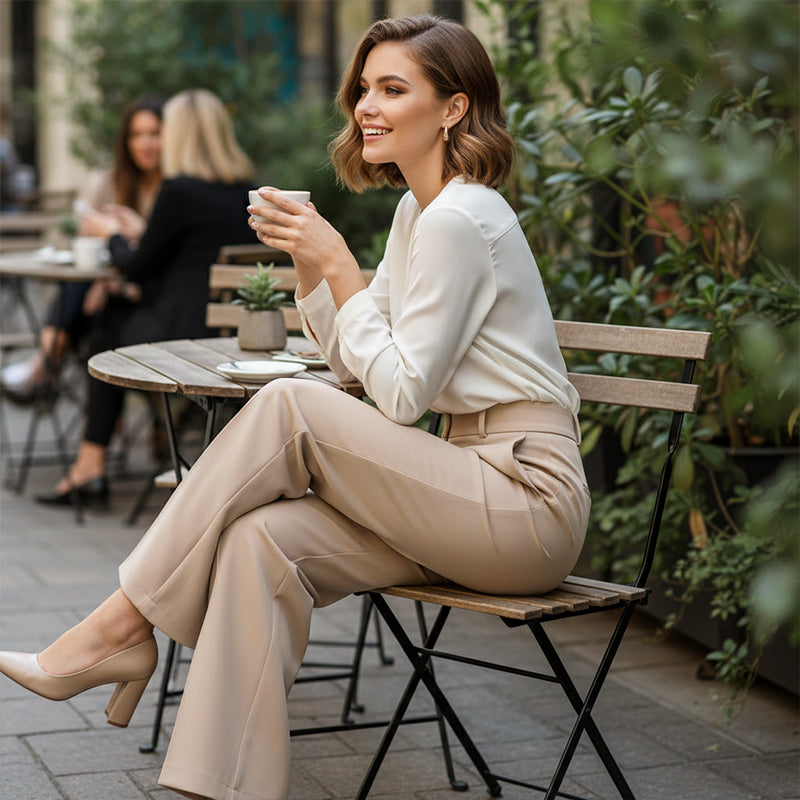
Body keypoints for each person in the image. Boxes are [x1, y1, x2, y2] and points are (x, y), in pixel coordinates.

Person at [0, 16, 590, 800]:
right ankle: (224, 785)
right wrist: (313, 268)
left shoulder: (461, 218)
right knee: (261, 541)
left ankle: (118, 625)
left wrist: (340, 262)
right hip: (453, 489)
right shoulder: (419, 213)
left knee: (290, 405)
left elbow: (402, 396)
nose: (366, 107)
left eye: (393, 89)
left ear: (453, 108)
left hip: (523, 505)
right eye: (364, 89)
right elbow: (353, 363)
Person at [34, 88, 257, 507]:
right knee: (111, 315)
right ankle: (104, 449)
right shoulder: (249, 192)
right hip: (236, 337)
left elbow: (136, 268)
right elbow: (188, 262)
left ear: (182, 134)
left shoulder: (179, 191)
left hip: (183, 339)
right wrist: (140, 232)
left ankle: (89, 465)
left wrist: (112, 234)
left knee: (105, 329)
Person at [0, 95, 164, 404]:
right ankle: (45, 366)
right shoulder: (114, 181)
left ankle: (43, 368)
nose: (145, 143)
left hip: (148, 295)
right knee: (83, 296)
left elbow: (155, 258)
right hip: (112, 286)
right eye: (136, 134)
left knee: (92, 308)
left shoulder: (174, 190)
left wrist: (110, 276)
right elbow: (94, 239)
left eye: (154, 133)